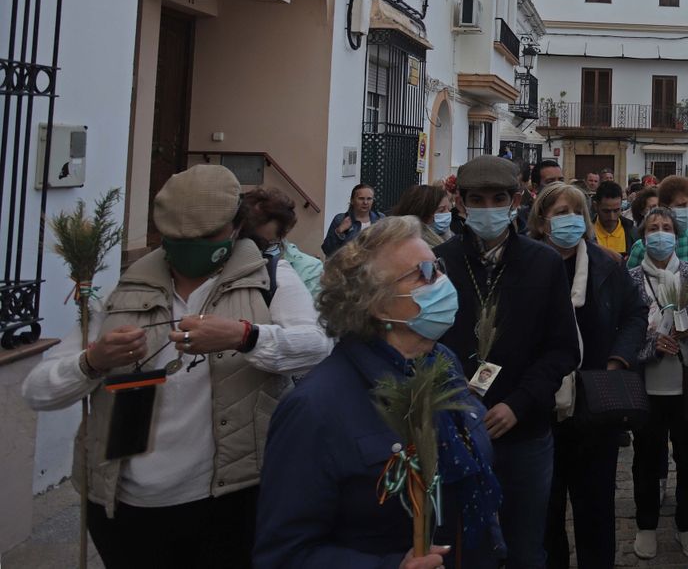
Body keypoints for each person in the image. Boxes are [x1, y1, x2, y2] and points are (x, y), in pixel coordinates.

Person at [22, 164, 330, 569]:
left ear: (236, 227)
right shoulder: (125, 290)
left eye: (206, 237)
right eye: (179, 238)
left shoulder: (270, 279)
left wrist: (244, 336)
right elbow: (38, 391)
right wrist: (92, 362)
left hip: (229, 502)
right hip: (124, 508)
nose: (191, 247)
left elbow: (316, 347)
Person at [255, 217, 503, 569]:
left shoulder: (442, 362)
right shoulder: (314, 407)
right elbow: (284, 554)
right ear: (376, 304)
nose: (441, 281)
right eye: (423, 273)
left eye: (437, 267)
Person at [435, 156, 583, 569]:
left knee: (525, 549)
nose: (488, 208)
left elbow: (563, 349)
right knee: (459, 548)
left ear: (515, 201)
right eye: (477, 200)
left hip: (524, 432)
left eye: (498, 199)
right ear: (461, 204)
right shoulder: (439, 262)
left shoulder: (543, 263)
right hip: (455, 431)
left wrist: (518, 404)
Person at [530, 182, 647, 569]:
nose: (569, 220)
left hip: (596, 400)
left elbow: (635, 315)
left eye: (575, 213)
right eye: (560, 213)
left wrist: (618, 360)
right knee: (546, 507)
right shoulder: (525, 265)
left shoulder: (606, 265)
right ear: (542, 221)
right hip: (541, 404)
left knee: (595, 505)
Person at [627, 207, 688, 560]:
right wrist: (652, 344)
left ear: (676, 236)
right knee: (646, 458)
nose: (660, 234)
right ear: (643, 236)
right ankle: (646, 524)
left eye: (666, 228)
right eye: (653, 228)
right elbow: (624, 332)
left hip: (687, 382)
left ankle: (686, 523)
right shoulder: (631, 278)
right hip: (648, 384)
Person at [239, 187, 326, 303]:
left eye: (263, 243)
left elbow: (311, 313)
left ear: (282, 235)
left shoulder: (308, 270)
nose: (253, 248)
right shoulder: (227, 259)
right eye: (248, 239)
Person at [624, 175, 688, 270]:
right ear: (664, 207)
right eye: (681, 205)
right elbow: (631, 278)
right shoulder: (643, 246)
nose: (687, 210)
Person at [324, 183, 384, 257]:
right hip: (348, 263)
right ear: (352, 200)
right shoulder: (341, 219)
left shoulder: (380, 218)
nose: (365, 202)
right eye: (361, 198)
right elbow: (327, 250)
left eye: (369, 199)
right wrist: (339, 231)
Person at [392, 183, 457, 247]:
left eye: (449, 209)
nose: (447, 213)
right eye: (441, 210)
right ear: (423, 213)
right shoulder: (410, 246)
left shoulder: (449, 236)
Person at [591, 180, 635, 260]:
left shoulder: (633, 233)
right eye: (606, 211)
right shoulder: (586, 233)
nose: (612, 217)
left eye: (616, 210)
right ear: (595, 206)